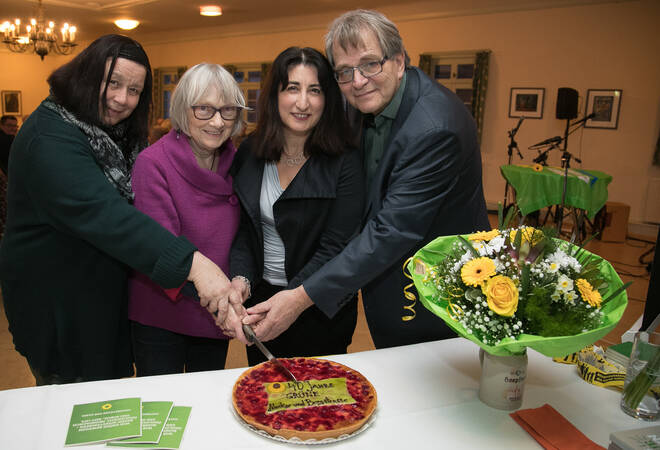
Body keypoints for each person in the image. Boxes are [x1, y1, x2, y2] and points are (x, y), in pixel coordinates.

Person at [241, 10, 490, 349]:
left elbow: (393, 230)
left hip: (435, 295)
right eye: (345, 71)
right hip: (385, 283)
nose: (358, 81)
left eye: (371, 64)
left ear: (399, 62)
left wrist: (300, 297)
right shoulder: (359, 106)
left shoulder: (435, 128)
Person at [0, 35, 235, 385]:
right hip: (62, 311)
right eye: (113, 83)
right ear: (86, 75)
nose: (121, 99)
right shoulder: (48, 138)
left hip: (102, 306)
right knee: (77, 415)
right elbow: (109, 217)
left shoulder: (115, 134)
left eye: (135, 90)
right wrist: (197, 267)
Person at [228, 47, 364, 364]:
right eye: (293, 88)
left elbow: (337, 247)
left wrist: (295, 299)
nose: (303, 102)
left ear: (327, 99)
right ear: (275, 94)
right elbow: (245, 232)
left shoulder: (345, 159)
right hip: (260, 305)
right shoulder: (250, 151)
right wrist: (240, 279)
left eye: (314, 90)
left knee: (318, 408)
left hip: (319, 307)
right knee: (263, 401)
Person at [128, 63, 249, 375]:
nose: (218, 121)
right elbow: (161, 248)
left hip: (214, 315)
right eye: (204, 109)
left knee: (206, 406)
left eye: (227, 110)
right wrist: (222, 302)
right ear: (182, 109)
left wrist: (240, 280)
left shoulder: (239, 163)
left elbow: (245, 236)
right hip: (162, 312)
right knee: (162, 413)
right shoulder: (153, 163)